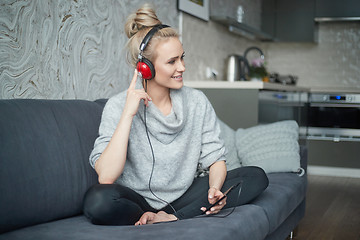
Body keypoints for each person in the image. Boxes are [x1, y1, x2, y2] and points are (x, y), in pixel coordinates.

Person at [83, 3, 268, 226]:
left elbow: (215, 158)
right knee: (98, 201)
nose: (182, 67)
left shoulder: (197, 101)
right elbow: (106, 177)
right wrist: (128, 114)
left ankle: (172, 218)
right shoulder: (117, 106)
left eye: (182, 57)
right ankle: (150, 215)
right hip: (138, 200)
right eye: (172, 61)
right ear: (145, 68)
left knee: (256, 176)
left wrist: (215, 189)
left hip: (184, 197)